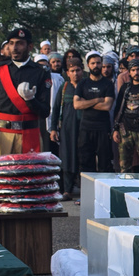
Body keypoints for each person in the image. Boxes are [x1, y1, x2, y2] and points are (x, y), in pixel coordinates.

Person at [0, 28, 51, 161]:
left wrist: (30, 100)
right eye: (11, 43)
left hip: (30, 134)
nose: (14, 48)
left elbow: (45, 112)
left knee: (29, 179)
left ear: (29, 46)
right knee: (2, 179)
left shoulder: (41, 72)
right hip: (2, 135)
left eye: (19, 43)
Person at [72, 51, 115, 173]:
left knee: (105, 163)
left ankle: (104, 191)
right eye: (93, 63)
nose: (96, 66)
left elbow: (107, 106)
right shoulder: (82, 83)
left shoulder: (108, 84)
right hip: (86, 128)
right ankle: (87, 191)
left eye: (98, 63)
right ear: (87, 65)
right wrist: (96, 100)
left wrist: (86, 103)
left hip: (103, 128)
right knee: (85, 163)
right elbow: (76, 104)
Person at [110, 59, 139, 174]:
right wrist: (115, 129)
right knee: (124, 166)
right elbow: (119, 108)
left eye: (138, 69)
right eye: (133, 70)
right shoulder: (125, 88)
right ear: (129, 72)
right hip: (125, 130)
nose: (136, 72)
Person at [51, 59, 83, 199]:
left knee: (83, 158)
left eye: (78, 70)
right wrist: (53, 129)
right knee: (67, 158)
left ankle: (84, 190)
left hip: (84, 128)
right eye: (72, 71)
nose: (75, 73)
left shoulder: (86, 86)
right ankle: (67, 190)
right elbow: (56, 108)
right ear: (67, 73)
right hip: (67, 129)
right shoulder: (64, 88)